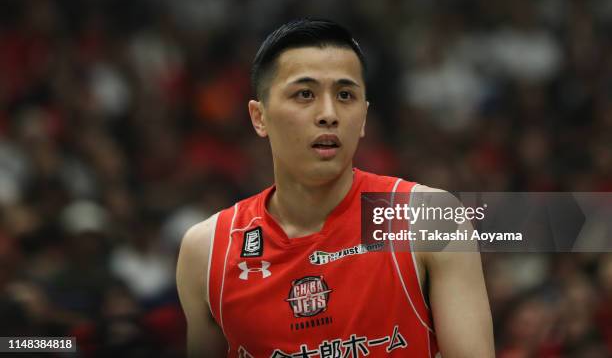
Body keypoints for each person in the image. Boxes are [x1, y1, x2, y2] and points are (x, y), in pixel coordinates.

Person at [176, 18, 494, 357]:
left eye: (345, 95)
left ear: (365, 117)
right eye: (305, 94)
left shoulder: (428, 217)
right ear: (259, 117)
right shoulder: (206, 251)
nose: (328, 114)